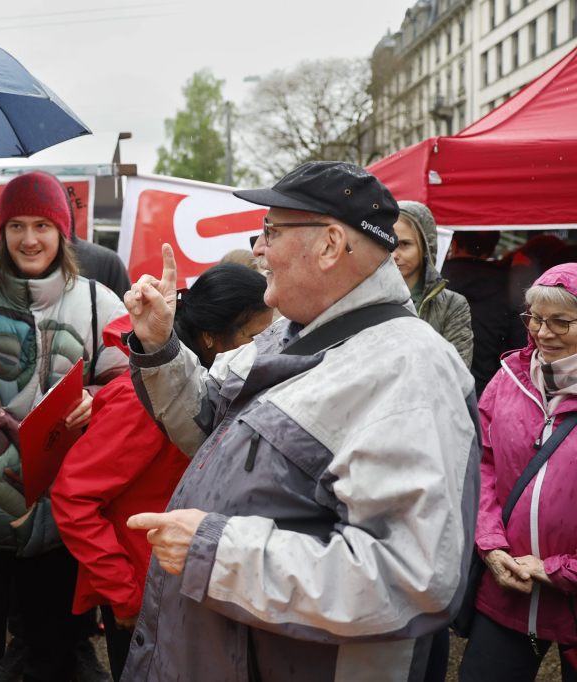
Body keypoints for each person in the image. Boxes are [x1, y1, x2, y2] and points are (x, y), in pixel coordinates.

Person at [120, 161, 481, 681]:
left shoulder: (411, 371)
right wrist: (160, 346)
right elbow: (206, 423)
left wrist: (215, 552)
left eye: (271, 231)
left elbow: (412, 578)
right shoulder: (290, 332)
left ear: (331, 245)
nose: (259, 249)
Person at [0, 170, 129, 682]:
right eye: (17, 225)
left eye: (42, 224)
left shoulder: (99, 303)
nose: (30, 238)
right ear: (1, 231)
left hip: (62, 524)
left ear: (64, 231)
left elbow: (133, 399)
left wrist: (97, 398)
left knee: (54, 659)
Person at [51, 263, 272, 681]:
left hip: (179, 586)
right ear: (211, 338)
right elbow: (73, 496)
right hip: (148, 596)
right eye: (255, 337)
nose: (268, 348)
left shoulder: (211, 382)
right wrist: (127, 596)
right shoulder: (142, 401)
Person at [458, 263, 577, 682]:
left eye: (561, 322)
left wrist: (562, 569)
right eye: (536, 319)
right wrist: (490, 547)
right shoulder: (509, 378)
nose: (543, 333)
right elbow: (481, 465)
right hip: (508, 587)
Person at [393, 200, 474, 366]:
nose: (394, 254)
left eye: (404, 244)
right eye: (389, 244)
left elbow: (457, 370)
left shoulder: (452, 305)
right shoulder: (366, 298)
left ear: (425, 247)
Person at [442, 231, 513, 396]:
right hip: (489, 391)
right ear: (493, 247)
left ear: (454, 244)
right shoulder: (509, 288)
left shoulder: (433, 280)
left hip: (442, 386)